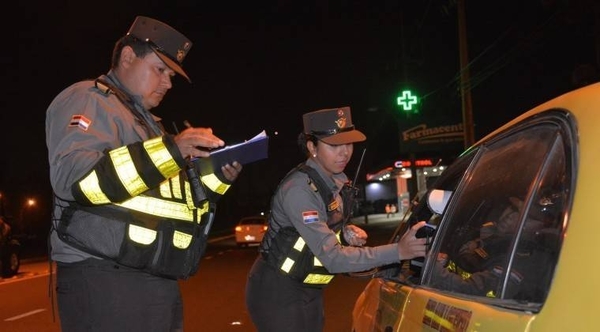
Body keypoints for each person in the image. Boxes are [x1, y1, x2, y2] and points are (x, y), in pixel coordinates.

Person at [45, 16, 242, 332]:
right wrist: (172, 150)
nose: (168, 82)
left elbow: (172, 199)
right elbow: (76, 179)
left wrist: (218, 176)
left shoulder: (151, 125)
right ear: (126, 57)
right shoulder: (89, 99)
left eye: (170, 74)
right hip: (105, 276)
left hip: (151, 272)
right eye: (160, 70)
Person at [245, 106, 428, 332]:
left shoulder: (333, 182)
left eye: (348, 143)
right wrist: (398, 251)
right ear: (312, 147)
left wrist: (345, 232)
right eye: (334, 145)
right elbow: (332, 258)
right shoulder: (300, 190)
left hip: (308, 287)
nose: (344, 153)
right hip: (278, 290)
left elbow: (317, 229)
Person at [432, 195, 561, 301]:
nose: (510, 216)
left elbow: (470, 290)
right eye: (513, 209)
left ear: (539, 226)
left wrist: (433, 267)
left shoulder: (523, 258)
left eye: (522, 215)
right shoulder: (495, 240)